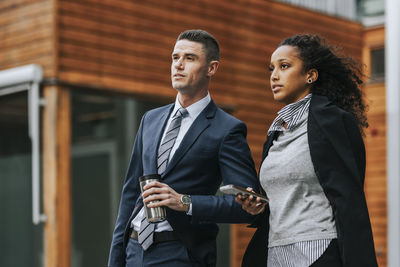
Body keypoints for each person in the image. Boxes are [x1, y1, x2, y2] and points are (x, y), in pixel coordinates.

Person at [108, 29, 259, 267]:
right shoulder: (150, 119)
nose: (178, 65)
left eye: (189, 58)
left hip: (180, 253)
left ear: (211, 68)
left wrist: (184, 202)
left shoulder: (227, 129)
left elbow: (244, 205)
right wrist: (116, 259)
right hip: (134, 250)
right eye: (175, 57)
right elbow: (130, 195)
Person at [236, 34, 378, 267]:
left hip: (317, 252)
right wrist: (258, 206)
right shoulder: (276, 131)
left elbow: (349, 198)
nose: (274, 75)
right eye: (271, 68)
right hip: (275, 254)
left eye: (284, 66)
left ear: (310, 75)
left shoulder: (333, 121)